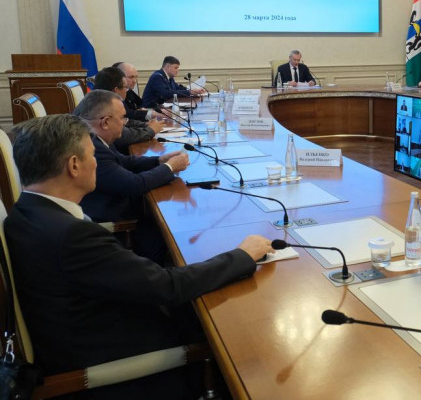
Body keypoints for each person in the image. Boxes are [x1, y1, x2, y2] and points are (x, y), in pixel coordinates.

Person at [3, 114, 274, 399]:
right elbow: (167, 286)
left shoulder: (24, 213)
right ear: (74, 165)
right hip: (115, 364)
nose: (97, 163)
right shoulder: (71, 235)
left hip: (86, 330)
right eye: (92, 155)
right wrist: (242, 255)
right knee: (237, 335)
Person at [75, 91, 190, 261]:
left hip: (116, 201)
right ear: (105, 122)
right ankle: (156, 266)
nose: (125, 123)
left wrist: (159, 160)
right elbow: (134, 184)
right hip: (111, 214)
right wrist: (169, 167)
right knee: (166, 217)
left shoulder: (97, 138)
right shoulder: (93, 147)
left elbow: (125, 161)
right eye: (122, 118)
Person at [94, 67, 164, 154]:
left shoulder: (101, 99)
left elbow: (126, 121)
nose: (127, 91)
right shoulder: (101, 107)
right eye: (126, 88)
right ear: (116, 90)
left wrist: (146, 125)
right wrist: (150, 130)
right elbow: (123, 136)